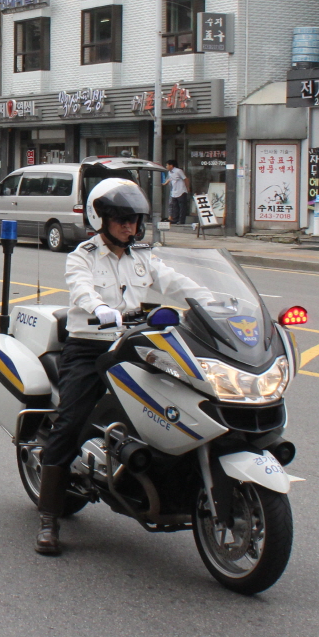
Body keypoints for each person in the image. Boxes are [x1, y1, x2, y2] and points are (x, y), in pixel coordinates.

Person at [33, 177, 210, 556]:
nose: (129, 227)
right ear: (101, 220)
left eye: (134, 220)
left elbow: (176, 283)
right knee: (71, 421)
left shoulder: (144, 256)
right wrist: (98, 308)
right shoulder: (82, 255)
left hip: (133, 344)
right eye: (121, 219)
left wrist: (213, 301)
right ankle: (49, 517)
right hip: (90, 347)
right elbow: (81, 287)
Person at [165, 160, 190, 225]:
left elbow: (185, 179)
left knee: (182, 207)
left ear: (171, 165)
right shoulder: (169, 172)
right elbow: (170, 179)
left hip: (181, 191)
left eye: (167, 165)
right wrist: (165, 183)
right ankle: (175, 219)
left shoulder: (179, 171)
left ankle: (181, 221)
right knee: (175, 206)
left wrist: (187, 188)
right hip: (174, 192)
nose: (166, 166)